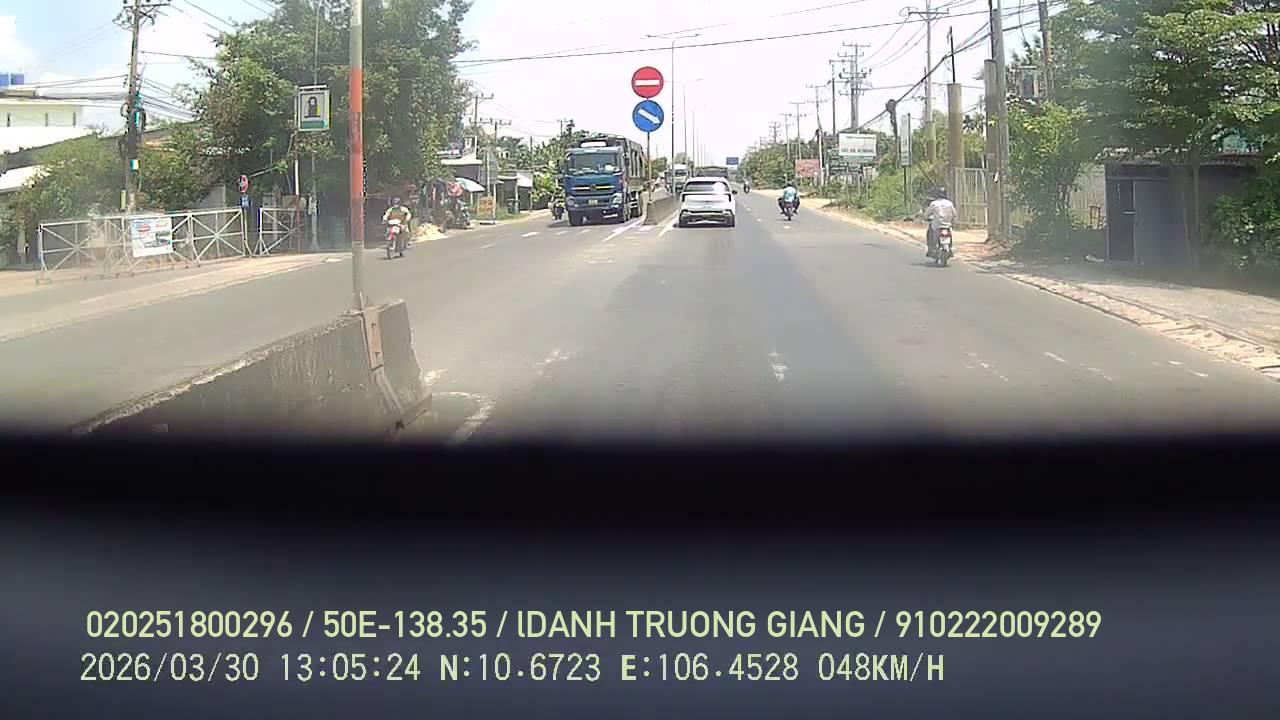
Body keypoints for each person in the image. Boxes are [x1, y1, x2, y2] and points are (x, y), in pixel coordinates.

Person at [925, 187, 958, 258]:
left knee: (930, 231)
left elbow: (927, 213)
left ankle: (931, 248)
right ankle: (950, 248)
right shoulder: (950, 203)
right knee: (950, 232)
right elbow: (954, 214)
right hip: (947, 225)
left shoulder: (934, 204)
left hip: (937, 225)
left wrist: (926, 217)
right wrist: (952, 221)